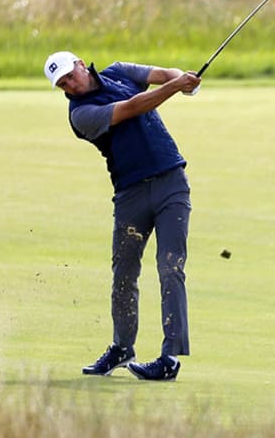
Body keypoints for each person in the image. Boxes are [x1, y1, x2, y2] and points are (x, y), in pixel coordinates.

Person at [44, 51, 201, 381]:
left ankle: (169, 358)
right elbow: (133, 108)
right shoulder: (81, 115)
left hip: (171, 182)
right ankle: (122, 347)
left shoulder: (119, 72)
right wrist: (176, 86)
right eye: (62, 85)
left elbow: (162, 71)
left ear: (81, 65)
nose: (70, 85)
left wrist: (184, 81)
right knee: (124, 273)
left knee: (170, 267)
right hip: (130, 195)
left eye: (71, 75)